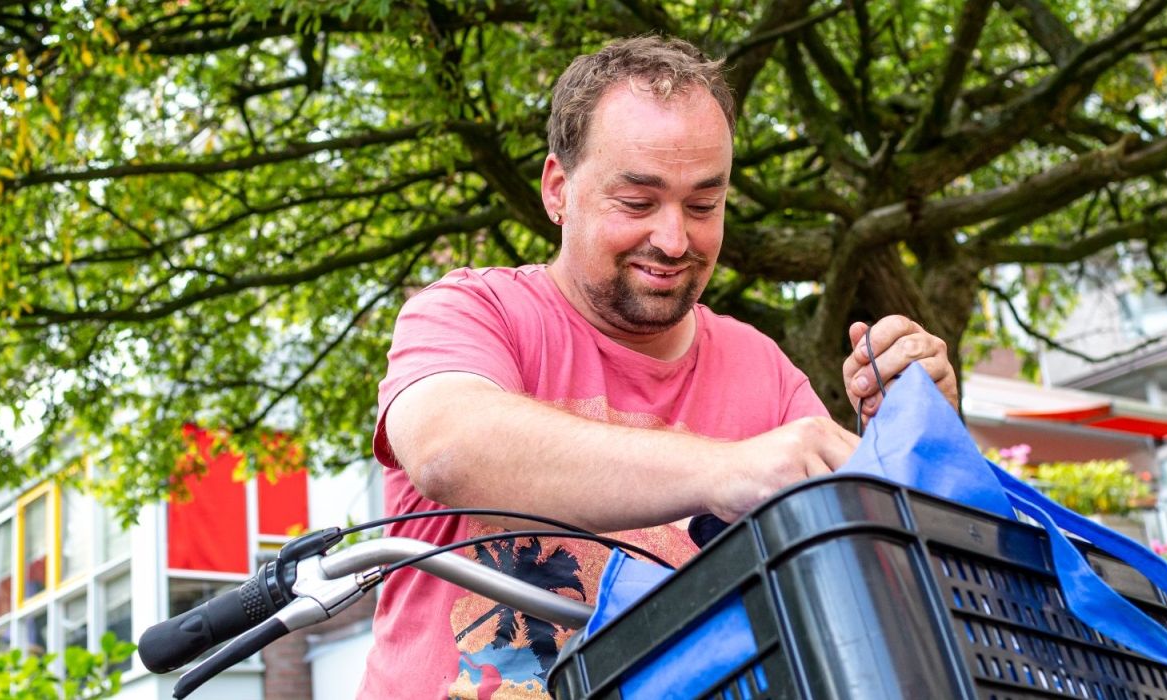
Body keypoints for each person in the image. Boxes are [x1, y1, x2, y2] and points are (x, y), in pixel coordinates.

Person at [357, 36, 956, 699]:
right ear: (558, 190)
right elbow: (448, 447)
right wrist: (729, 469)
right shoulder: (471, 311)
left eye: (704, 205)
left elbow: (874, 582)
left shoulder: (765, 371)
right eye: (638, 202)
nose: (674, 240)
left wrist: (916, 435)